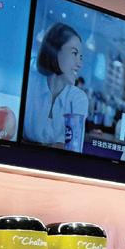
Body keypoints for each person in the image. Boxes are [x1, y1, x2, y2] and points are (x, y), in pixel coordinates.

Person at [22, 22, 88, 152]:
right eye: (74, 53)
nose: (79, 64)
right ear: (55, 51)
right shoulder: (30, 84)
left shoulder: (78, 98)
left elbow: (72, 150)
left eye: (80, 57)